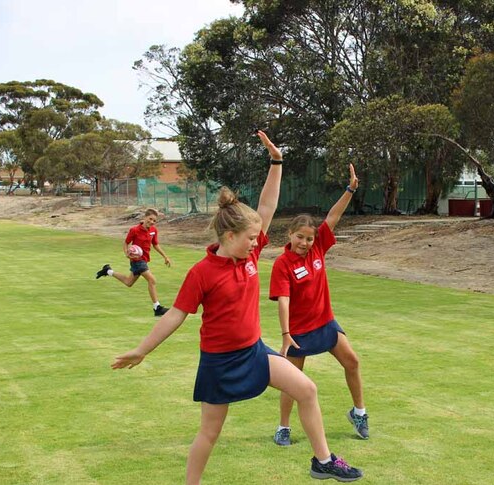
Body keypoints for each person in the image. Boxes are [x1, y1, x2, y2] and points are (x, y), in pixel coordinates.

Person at [111, 131, 363, 485]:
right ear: (229, 237)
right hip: (220, 363)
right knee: (209, 434)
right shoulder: (202, 273)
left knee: (306, 389)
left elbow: (266, 208)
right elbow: (175, 315)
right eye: (249, 238)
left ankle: (323, 461)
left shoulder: (249, 255)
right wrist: (141, 350)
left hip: (254, 351)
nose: (256, 243)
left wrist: (277, 162)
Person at [269, 164, 369, 447]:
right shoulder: (282, 264)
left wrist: (350, 189)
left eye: (309, 238)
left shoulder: (318, 247)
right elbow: (284, 300)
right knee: (292, 381)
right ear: (289, 234)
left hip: (325, 323)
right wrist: (286, 334)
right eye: (299, 237)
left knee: (353, 361)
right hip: (299, 332)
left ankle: (359, 413)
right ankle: (284, 427)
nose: (304, 242)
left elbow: (333, 216)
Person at [95, 208, 173, 317]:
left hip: (144, 260)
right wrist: (127, 253)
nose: (152, 222)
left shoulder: (153, 230)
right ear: (145, 217)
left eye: (154, 220)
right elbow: (126, 243)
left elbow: (155, 244)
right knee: (152, 280)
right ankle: (157, 308)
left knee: (128, 282)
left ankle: (108, 271)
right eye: (150, 219)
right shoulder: (134, 230)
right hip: (137, 261)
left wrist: (165, 257)